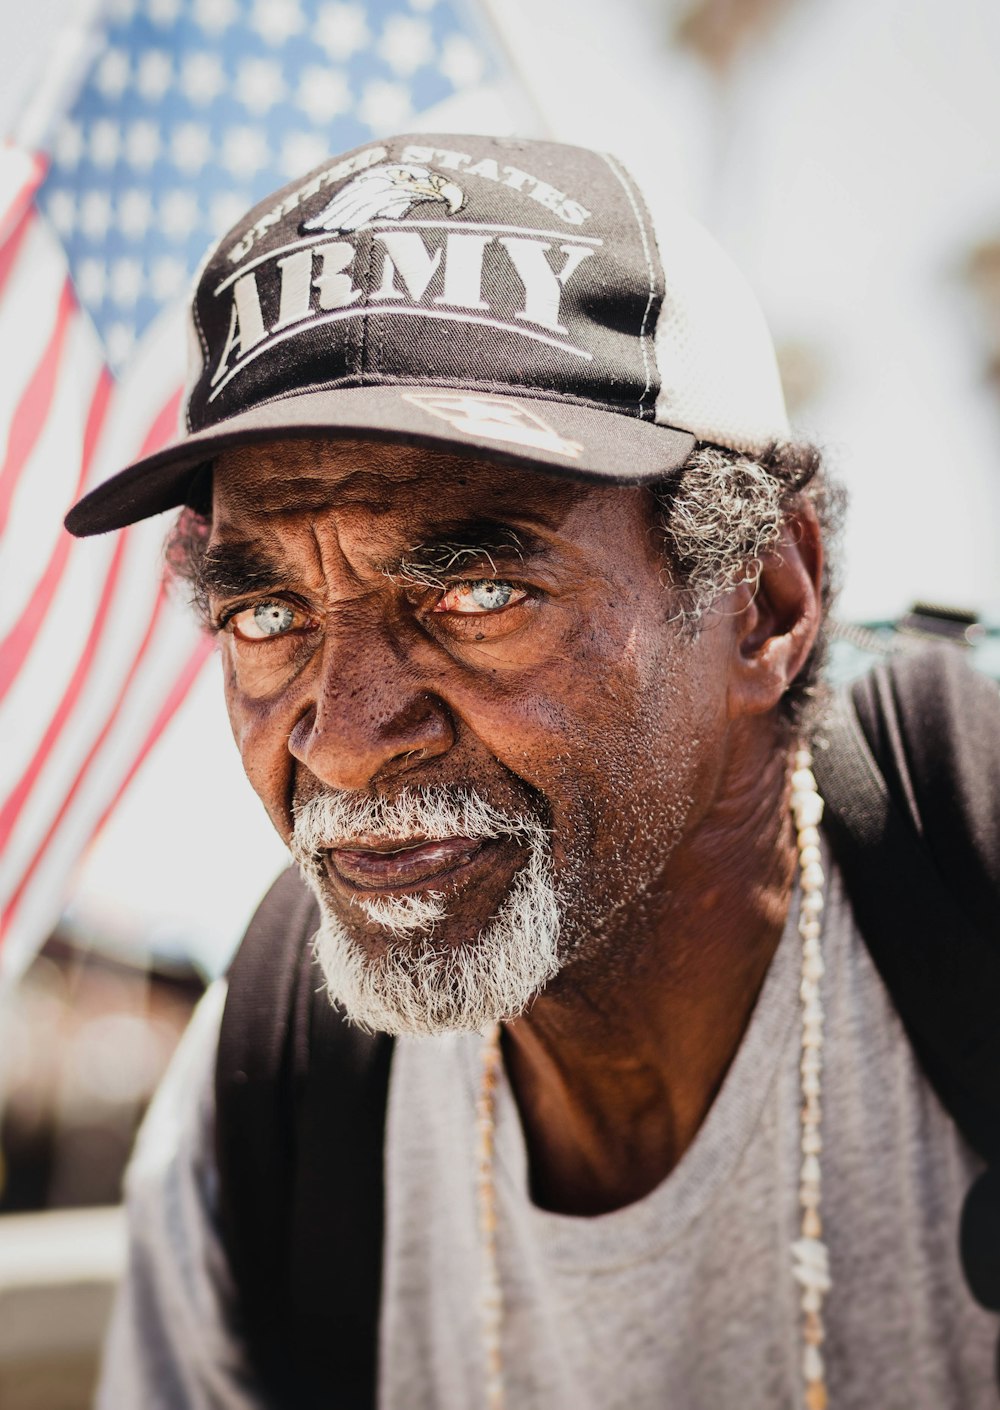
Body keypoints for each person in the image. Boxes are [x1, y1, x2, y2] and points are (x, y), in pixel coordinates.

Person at [65, 133, 1000, 1410]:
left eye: (478, 591)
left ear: (764, 604)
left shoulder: (968, 887)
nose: (341, 737)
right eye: (268, 617)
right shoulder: (274, 1088)